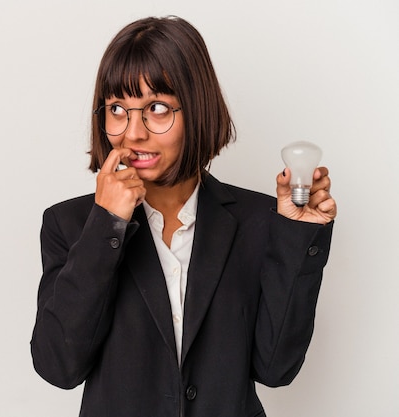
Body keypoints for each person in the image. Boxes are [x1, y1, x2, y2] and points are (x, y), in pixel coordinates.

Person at [30, 15, 336, 417]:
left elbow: (275, 368)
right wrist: (107, 225)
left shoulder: (258, 220)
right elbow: (58, 367)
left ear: (197, 108)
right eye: (117, 108)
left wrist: (298, 236)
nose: (133, 132)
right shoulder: (69, 225)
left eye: (157, 108)